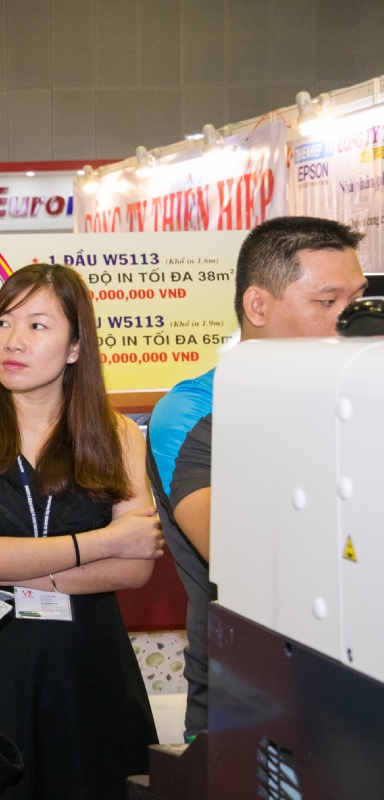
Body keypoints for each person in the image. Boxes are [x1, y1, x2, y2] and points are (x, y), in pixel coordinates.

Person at [0, 263, 164, 799]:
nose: (13, 340)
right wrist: (104, 543)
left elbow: (137, 568)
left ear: (75, 347)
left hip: (94, 663)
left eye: (37, 325)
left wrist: (23, 572)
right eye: (3, 322)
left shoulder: (118, 434)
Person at [147, 216, 366, 742]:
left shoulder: (359, 402)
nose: (348, 319)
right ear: (258, 305)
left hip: (357, 690)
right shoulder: (193, 411)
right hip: (246, 703)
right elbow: (239, 554)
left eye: (356, 301)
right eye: (326, 301)